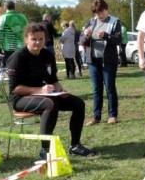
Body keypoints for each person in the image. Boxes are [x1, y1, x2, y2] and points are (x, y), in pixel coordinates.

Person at [7, 23, 96, 159]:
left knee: (78, 103)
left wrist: (61, 90)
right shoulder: (18, 57)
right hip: (20, 99)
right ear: (26, 39)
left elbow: (53, 79)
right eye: (34, 39)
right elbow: (15, 88)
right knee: (51, 103)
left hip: (46, 95)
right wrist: (39, 90)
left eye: (41, 39)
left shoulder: (47, 55)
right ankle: (45, 150)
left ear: (45, 39)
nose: (37, 42)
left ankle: (75, 145)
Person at [81, 0, 123, 125]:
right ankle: (96, 116)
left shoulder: (115, 21)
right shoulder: (91, 22)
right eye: (97, 13)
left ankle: (112, 115)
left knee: (110, 88)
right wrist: (86, 36)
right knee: (96, 89)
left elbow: (118, 40)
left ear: (106, 9)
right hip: (93, 61)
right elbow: (81, 41)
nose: (100, 15)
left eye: (102, 12)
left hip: (108, 61)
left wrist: (106, 35)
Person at [0, 0, 28, 66]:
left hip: (8, 49)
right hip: (21, 48)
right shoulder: (22, 17)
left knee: (10, 71)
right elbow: (28, 32)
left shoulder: (3, 18)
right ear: (14, 7)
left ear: (5, 8)